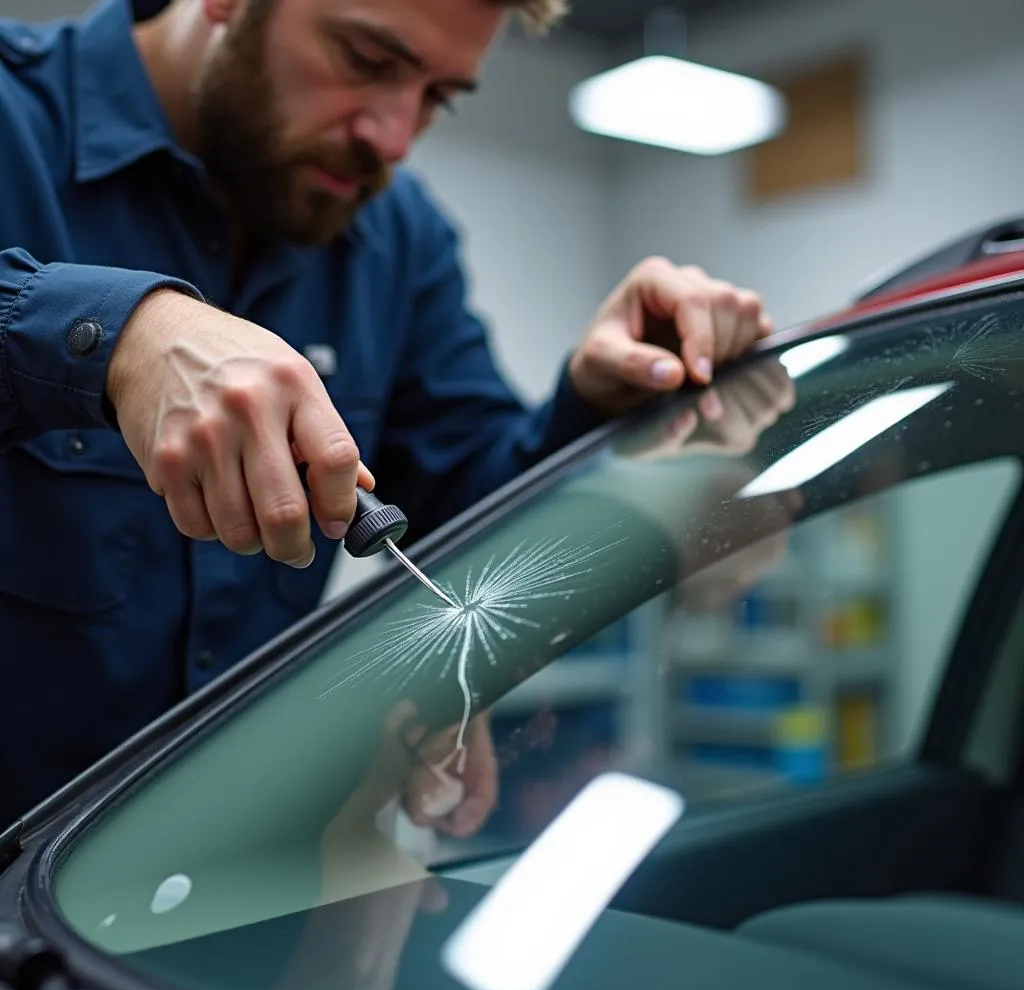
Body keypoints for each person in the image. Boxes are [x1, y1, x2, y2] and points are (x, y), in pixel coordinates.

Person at [0, 0, 774, 831]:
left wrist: (597, 402)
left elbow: (469, 499)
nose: (395, 139)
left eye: (438, 97)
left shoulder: (398, 237)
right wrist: (116, 336)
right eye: (367, 59)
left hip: (208, 887)